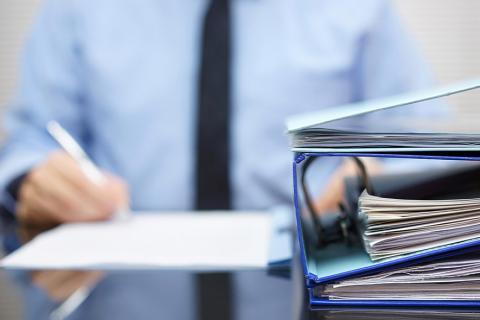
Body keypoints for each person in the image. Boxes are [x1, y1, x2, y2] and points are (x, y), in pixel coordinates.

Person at [0, 0, 434, 319]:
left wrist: (374, 182)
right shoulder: (73, 10)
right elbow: (33, 137)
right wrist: (31, 177)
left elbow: (425, 140)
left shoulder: (363, 10)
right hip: (106, 291)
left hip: (313, 275)